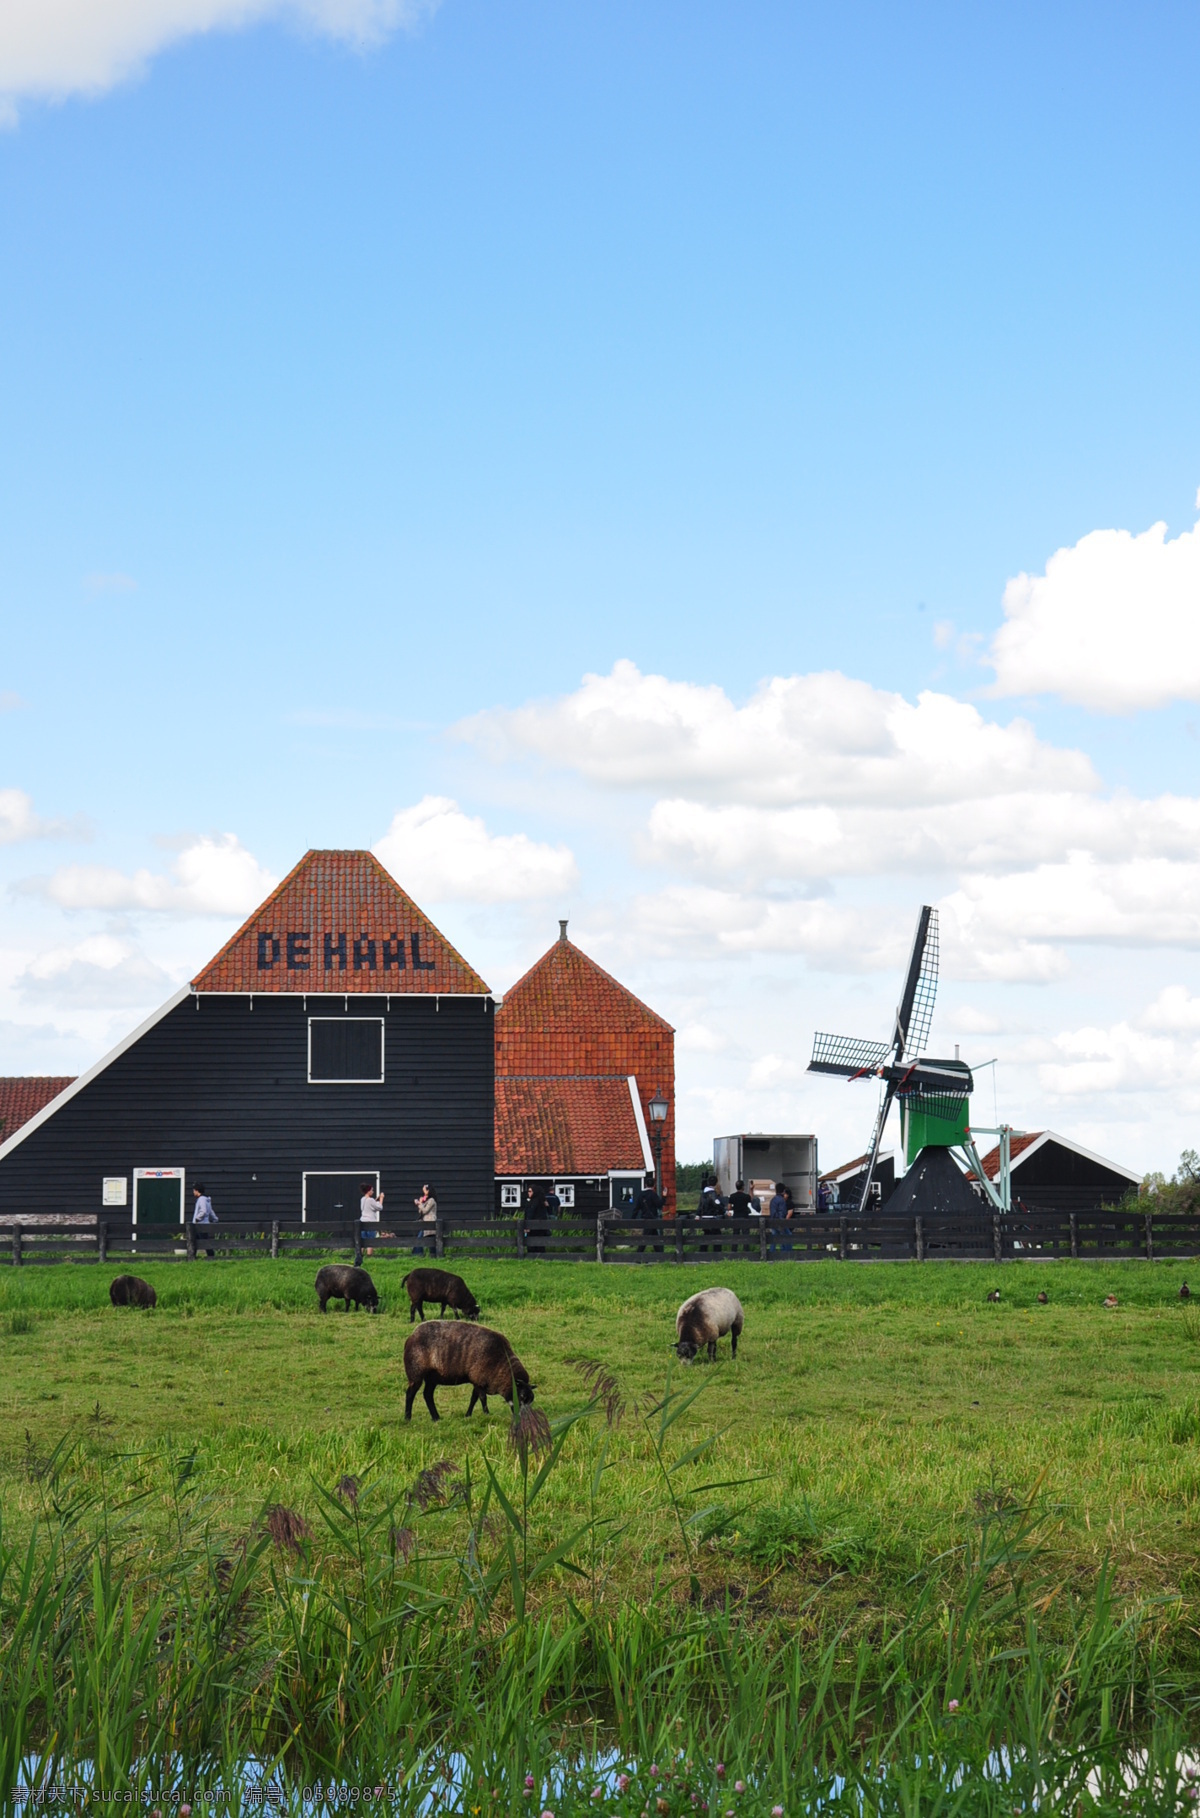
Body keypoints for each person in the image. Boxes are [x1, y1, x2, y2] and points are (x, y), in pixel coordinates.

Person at [632, 1181, 664, 1252]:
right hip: (652, 1218)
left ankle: (660, 1255)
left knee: (654, 1237)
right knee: (645, 1239)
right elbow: (659, 1205)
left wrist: (632, 1219)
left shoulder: (641, 1195)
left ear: (645, 1185)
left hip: (645, 1218)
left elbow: (636, 1208)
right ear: (654, 1185)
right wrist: (664, 1197)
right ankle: (638, 1255)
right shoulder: (653, 1194)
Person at [360, 1179, 387, 1255]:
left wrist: (376, 1199)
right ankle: (369, 1256)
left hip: (363, 1221)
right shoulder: (371, 1200)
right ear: (368, 1191)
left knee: (362, 1241)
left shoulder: (362, 1199)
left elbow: (370, 1205)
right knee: (370, 1241)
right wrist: (381, 1198)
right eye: (372, 1190)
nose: (373, 1191)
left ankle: (360, 1255)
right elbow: (379, 1207)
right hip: (370, 1222)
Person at [192, 1182, 217, 1258]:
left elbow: (203, 1211)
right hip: (203, 1224)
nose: (193, 1192)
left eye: (194, 1190)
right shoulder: (206, 1200)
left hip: (200, 1225)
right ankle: (193, 1256)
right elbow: (210, 1211)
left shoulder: (201, 1199)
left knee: (204, 1242)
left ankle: (211, 1256)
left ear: (197, 1191)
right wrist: (215, 1219)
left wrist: (197, 1219)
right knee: (195, 1241)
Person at [413, 1183, 437, 1256]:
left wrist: (419, 1203)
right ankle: (419, 1254)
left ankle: (421, 1255)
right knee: (422, 1239)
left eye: (425, 1190)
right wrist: (420, 1203)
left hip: (430, 1223)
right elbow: (420, 1211)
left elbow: (425, 1210)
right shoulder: (426, 1200)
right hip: (425, 1223)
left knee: (431, 1241)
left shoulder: (431, 1200)